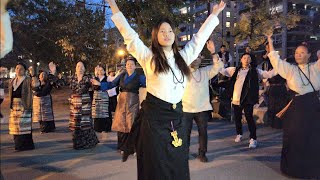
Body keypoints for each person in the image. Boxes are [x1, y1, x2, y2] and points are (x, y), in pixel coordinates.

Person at [106, 0, 225, 179]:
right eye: (162, 31)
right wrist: (113, 6)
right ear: (155, 35)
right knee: (156, 165)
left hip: (177, 118)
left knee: (177, 163)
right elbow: (130, 36)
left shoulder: (183, 57)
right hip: (153, 121)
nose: (167, 34)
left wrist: (214, 15)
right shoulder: (148, 57)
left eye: (170, 31)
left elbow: (199, 39)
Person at [266, 33, 320, 179]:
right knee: (293, 138)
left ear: (309, 55)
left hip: (313, 108)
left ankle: (312, 170)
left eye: (302, 53)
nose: (299, 55)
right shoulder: (290, 69)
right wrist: (270, 41)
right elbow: (275, 60)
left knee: (312, 139)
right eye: (296, 53)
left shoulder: (316, 67)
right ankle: (292, 169)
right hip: (296, 109)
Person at [219, 53, 277, 148]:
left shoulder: (255, 71)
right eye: (244, 58)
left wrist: (279, 66)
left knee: (249, 118)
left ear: (250, 60)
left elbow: (268, 74)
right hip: (236, 98)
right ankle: (239, 134)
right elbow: (222, 71)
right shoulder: (235, 70)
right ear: (241, 59)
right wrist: (217, 59)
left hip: (247, 99)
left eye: (248, 58)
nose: (246, 59)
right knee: (237, 118)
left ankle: (253, 139)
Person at [183, 40, 223, 162]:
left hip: (202, 108)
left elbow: (219, 67)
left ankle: (202, 153)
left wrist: (213, 52)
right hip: (186, 108)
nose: (195, 60)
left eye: (198, 57)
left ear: (201, 59)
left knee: (203, 133)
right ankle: (184, 153)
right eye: (193, 57)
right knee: (185, 134)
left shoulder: (205, 71)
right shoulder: (182, 72)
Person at [69, 61, 113, 150]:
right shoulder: (72, 78)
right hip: (75, 102)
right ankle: (77, 143)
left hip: (85, 101)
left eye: (82, 67)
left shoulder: (87, 77)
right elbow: (68, 86)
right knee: (76, 122)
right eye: (78, 66)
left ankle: (87, 142)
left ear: (84, 69)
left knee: (85, 122)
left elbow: (95, 87)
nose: (80, 68)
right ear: (75, 68)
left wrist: (97, 83)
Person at [111, 56, 146, 161]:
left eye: (131, 64)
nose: (129, 66)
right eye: (128, 64)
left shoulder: (140, 76)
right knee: (121, 124)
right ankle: (122, 147)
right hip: (121, 102)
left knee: (132, 125)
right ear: (125, 66)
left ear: (135, 66)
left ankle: (133, 148)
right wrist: (99, 84)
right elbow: (112, 84)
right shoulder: (122, 75)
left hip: (133, 102)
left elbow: (148, 84)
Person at [9, 62, 39, 151]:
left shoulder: (28, 80)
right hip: (14, 106)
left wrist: (33, 75)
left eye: (21, 68)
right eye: (17, 68)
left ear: (25, 71)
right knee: (15, 127)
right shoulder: (12, 81)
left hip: (24, 105)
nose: (18, 70)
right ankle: (18, 144)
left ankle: (25, 145)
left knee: (23, 126)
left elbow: (36, 86)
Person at [92, 65, 113, 133]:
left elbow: (108, 86)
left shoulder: (107, 78)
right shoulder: (95, 78)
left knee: (105, 112)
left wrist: (99, 85)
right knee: (97, 111)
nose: (100, 72)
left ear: (104, 71)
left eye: (102, 70)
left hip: (104, 96)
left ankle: (106, 128)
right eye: (99, 70)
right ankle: (98, 128)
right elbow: (93, 87)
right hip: (96, 96)